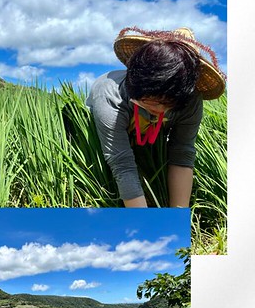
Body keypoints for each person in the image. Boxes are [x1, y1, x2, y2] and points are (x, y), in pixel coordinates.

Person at [86, 26, 226, 208]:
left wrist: (176, 219)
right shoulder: (110, 94)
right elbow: (122, 164)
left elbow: (182, 153)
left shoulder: (191, 99)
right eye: (150, 101)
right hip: (109, 135)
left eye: (168, 103)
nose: (159, 109)